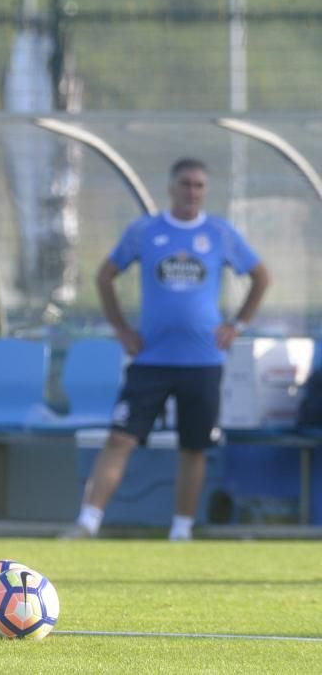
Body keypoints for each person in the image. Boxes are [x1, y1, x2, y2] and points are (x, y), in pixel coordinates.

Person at [64, 158, 269, 541]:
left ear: (205, 191)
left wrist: (236, 325)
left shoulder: (219, 233)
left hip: (203, 361)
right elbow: (105, 275)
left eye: (199, 186)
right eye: (186, 184)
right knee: (120, 438)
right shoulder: (145, 231)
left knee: (193, 447)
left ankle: (181, 529)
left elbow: (261, 276)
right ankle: (88, 522)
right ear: (171, 188)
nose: (192, 192)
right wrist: (122, 328)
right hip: (151, 360)